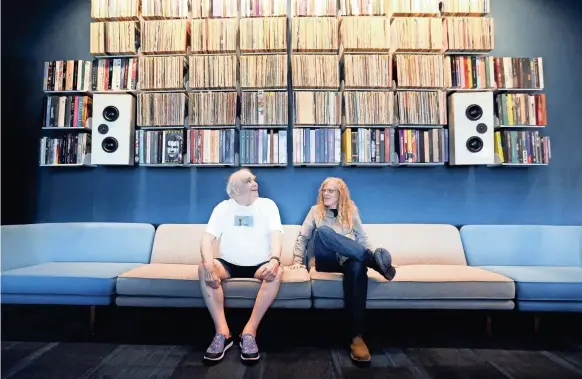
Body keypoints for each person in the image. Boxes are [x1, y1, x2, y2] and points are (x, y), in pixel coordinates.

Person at [290, 177, 396, 363]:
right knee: (323, 232)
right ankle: (374, 262)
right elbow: (303, 237)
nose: (326, 194)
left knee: (357, 265)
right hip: (326, 259)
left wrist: (366, 252)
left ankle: (357, 337)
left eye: (331, 191)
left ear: (341, 194)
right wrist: (298, 260)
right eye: (324, 190)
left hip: (348, 259)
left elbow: (362, 238)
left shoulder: (351, 211)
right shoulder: (315, 211)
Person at [199, 168, 284, 362]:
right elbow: (206, 240)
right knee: (203, 268)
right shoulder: (222, 208)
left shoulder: (268, 205)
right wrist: (209, 264)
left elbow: (276, 236)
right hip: (229, 264)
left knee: (277, 272)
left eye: (254, 180)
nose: (255, 183)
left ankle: (249, 332)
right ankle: (223, 333)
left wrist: (275, 260)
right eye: (248, 181)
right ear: (235, 190)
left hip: (260, 264)